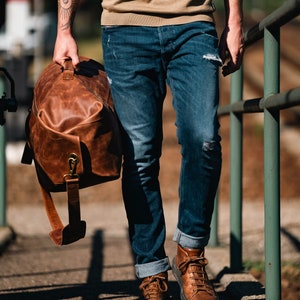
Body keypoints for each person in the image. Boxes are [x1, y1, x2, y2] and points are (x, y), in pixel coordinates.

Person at [54, 0, 244, 299]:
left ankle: (191, 256)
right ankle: (151, 270)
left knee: (204, 139)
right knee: (140, 154)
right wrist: (64, 30)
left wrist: (234, 21)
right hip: (124, 29)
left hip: (193, 24)